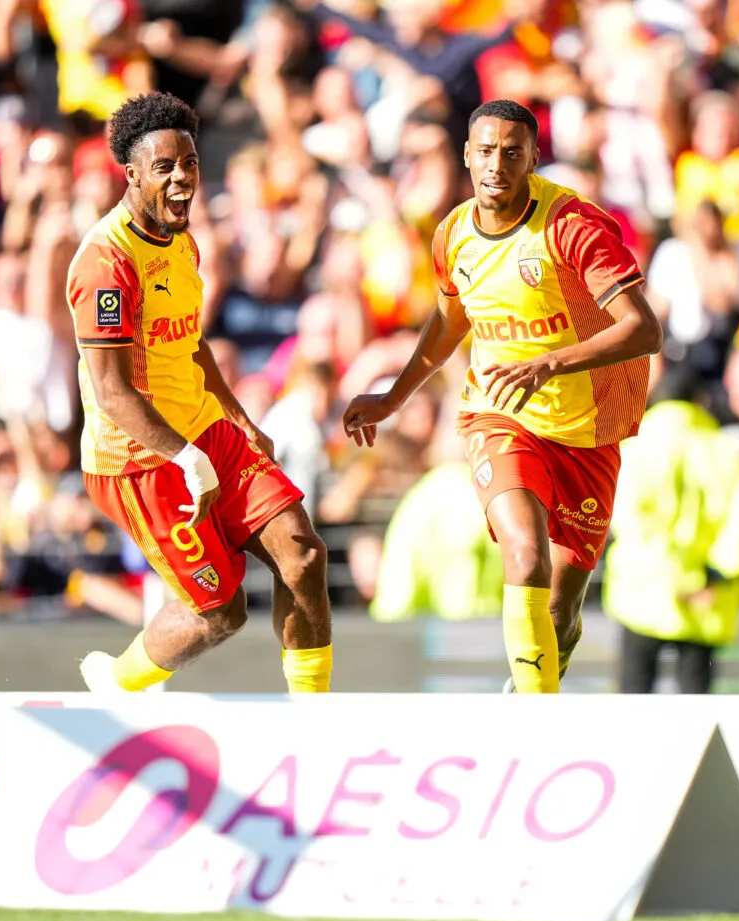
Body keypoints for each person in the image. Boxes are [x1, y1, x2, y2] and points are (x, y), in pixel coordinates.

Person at [343, 99, 663, 694]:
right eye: (485, 151)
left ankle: (522, 697)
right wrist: (394, 398)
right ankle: (532, 727)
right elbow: (447, 326)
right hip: (500, 414)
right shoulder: (453, 236)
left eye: (512, 153)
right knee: (525, 552)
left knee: (562, 616)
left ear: (533, 158)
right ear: (467, 155)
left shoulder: (571, 227)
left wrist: (551, 363)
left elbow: (644, 330)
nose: (497, 165)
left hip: (589, 427)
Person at [69, 92, 332, 694]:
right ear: (131, 174)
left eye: (188, 163)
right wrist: (187, 458)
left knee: (304, 558)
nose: (183, 177)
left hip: (208, 429)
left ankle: (314, 726)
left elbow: (191, 342)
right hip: (141, 457)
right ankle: (116, 681)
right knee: (220, 612)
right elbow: (111, 392)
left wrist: (238, 419)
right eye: (165, 167)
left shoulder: (182, 241)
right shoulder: (106, 263)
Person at [602, 362, 739, 694]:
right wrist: (714, 572)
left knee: (632, 695)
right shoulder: (729, 452)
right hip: (705, 595)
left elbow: (625, 516)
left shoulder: (633, 448)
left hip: (642, 589)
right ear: (701, 401)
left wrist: (668, 569)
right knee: (696, 701)